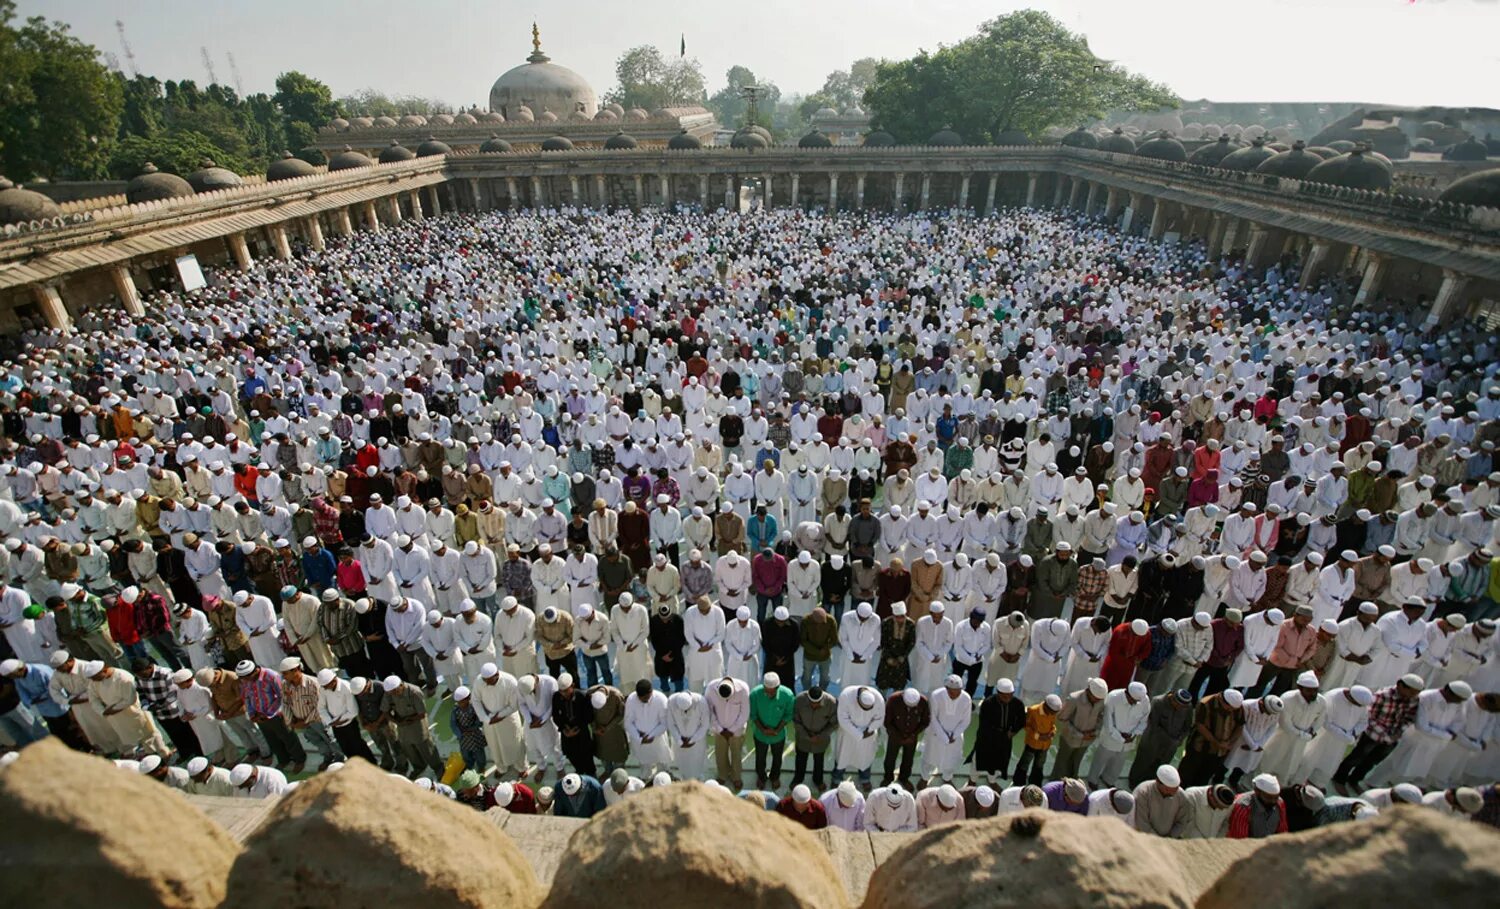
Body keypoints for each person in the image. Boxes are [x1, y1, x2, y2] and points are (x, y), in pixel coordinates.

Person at [1128, 689, 1196, 787]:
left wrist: (1179, 740)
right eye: (1178, 705)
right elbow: (1153, 725)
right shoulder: (1158, 702)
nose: (1180, 708)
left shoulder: (1187, 707)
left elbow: (1187, 726)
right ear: (1172, 698)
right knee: (1142, 764)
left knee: (1159, 767)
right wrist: (1170, 739)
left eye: (1183, 706)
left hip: (1171, 746)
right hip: (1152, 741)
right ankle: (1134, 785)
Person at [924, 674, 973, 783]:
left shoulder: (966, 698)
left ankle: (947, 778)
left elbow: (966, 721)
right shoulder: (936, 695)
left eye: (958, 692)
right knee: (930, 757)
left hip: (955, 736)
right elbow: (933, 718)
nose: (954, 695)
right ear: (946, 688)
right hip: (936, 733)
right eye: (951, 692)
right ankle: (925, 777)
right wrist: (944, 736)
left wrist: (954, 735)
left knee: (952, 759)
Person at [792, 683, 836, 790]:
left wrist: (821, 736)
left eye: (817, 703)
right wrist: (807, 736)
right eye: (812, 703)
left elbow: (834, 723)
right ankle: (798, 779)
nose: (814, 705)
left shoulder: (831, 702)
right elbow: (795, 720)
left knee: (819, 761)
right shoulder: (799, 700)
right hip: (803, 738)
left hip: (821, 739)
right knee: (800, 759)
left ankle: (818, 780)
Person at [1013, 694, 1062, 786]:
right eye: (1052, 712)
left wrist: (1053, 732)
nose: (1053, 714)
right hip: (1032, 743)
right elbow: (1027, 726)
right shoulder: (1033, 710)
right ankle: (1019, 783)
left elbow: (1053, 725)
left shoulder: (1052, 713)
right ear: (1046, 707)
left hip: (1045, 745)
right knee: (1024, 764)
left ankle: (1035, 783)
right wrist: (1038, 736)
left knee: (1039, 766)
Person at [1131, 764, 1188, 836]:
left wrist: (1169, 838)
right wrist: (1158, 840)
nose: (1172, 793)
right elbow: (1142, 822)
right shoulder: (1143, 792)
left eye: (1175, 789)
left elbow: (1181, 822)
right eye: (1168, 789)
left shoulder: (1181, 795)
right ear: (1158, 782)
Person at [1227, 774, 1289, 838]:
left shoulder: (1279, 803)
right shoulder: (1244, 807)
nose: (1273, 801)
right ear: (1257, 792)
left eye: (1275, 798)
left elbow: (1282, 830)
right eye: (1269, 797)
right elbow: (1239, 838)